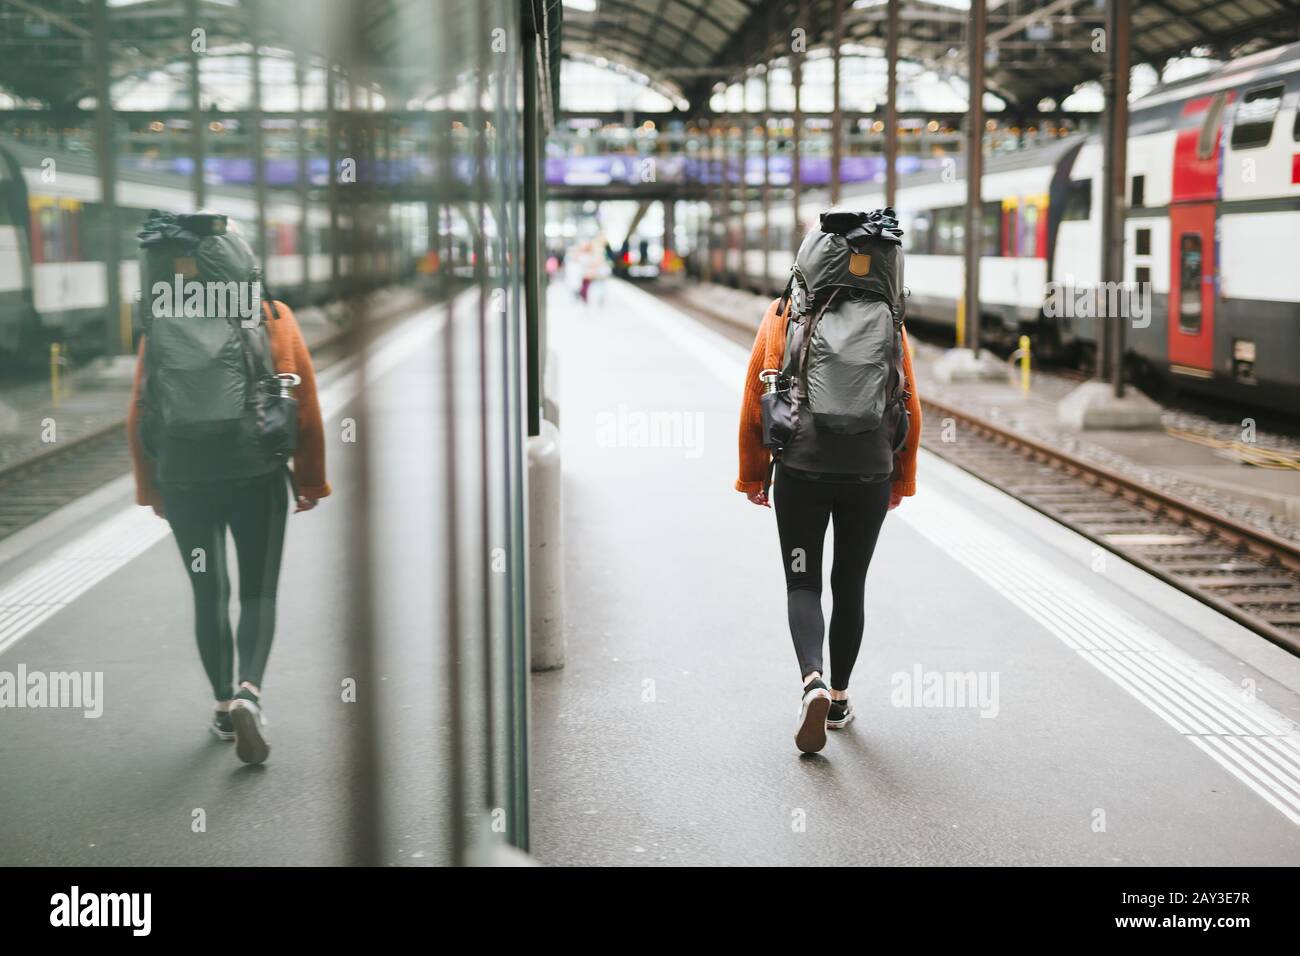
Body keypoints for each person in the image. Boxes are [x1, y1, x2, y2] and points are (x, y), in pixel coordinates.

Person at [127, 276, 329, 766]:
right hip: (256, 475)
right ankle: (248, 694)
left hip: (184, 480)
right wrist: (309, 479)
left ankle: (222, 707)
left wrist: (152, 488)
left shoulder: (163, 320)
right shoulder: (272, 314)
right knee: (258, 591)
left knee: (208, 590)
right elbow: (303, 401)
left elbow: (140, 407)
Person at [736, 252, 921, 755]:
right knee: (850, 584)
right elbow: (909, 401)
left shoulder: (784, 313)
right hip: (869, 472)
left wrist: (754, 475)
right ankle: (838, 700)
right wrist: (901, 479)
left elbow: (755, 399)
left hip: (802, 471)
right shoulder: (888, 319)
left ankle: (812, 680)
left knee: (803, 582)